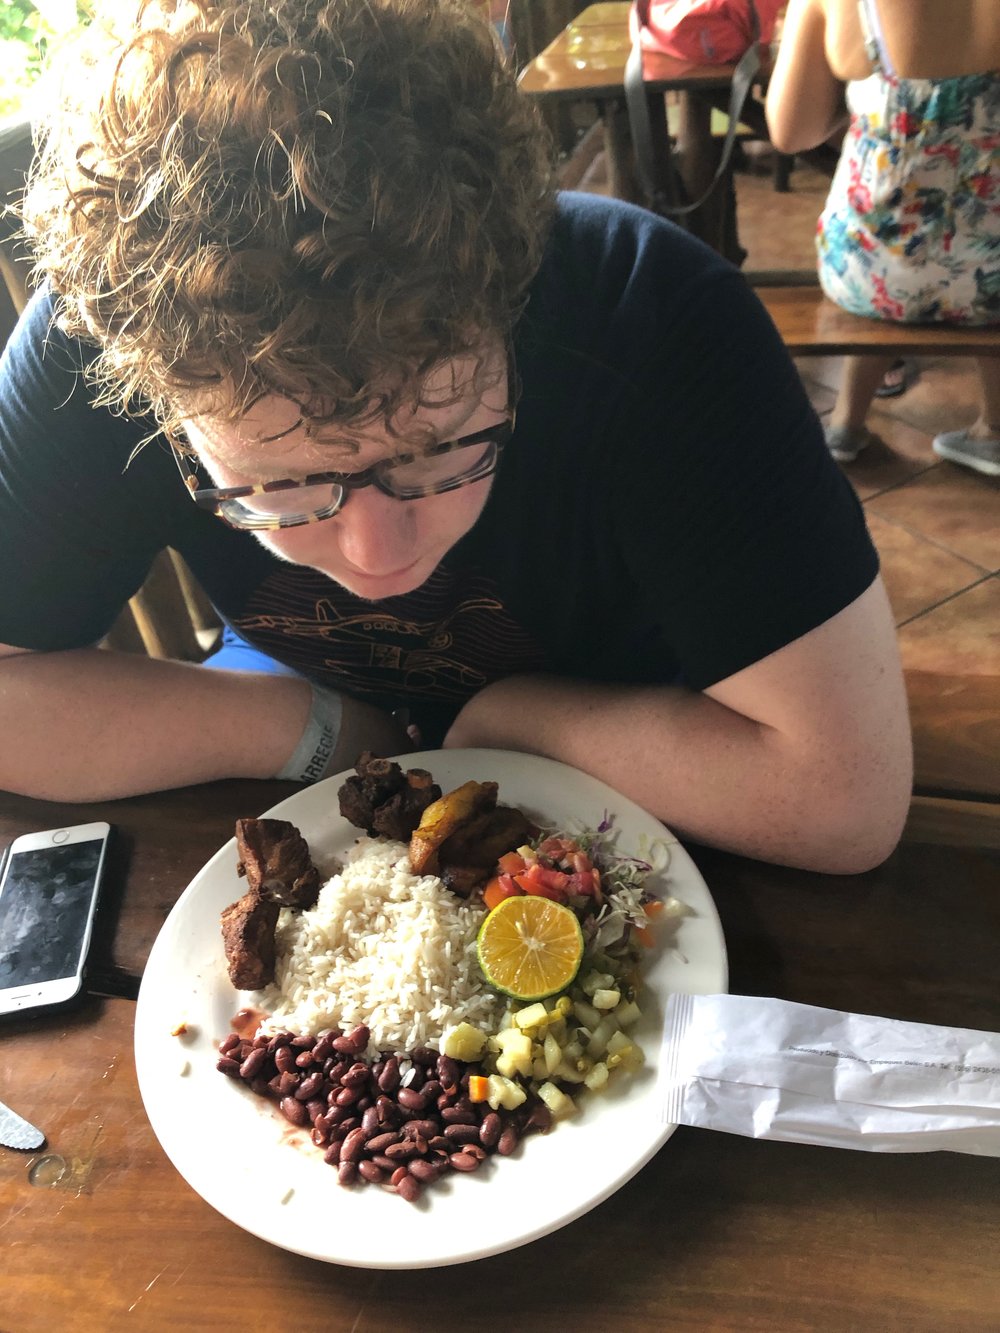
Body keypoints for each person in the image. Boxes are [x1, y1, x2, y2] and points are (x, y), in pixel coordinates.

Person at [0, 0, 912, 873]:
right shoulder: (106, 339)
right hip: (290, 695)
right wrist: (310, 727)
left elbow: (846, 801)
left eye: (437, 452)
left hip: (667, 737)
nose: (376, 558)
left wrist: (505, 722)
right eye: (278, 487)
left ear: (516, 304)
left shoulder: (654, 321)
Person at [765, 0, 1000, 474]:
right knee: (975, 243)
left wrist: (864, 109)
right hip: (991, 276)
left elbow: (791, 132)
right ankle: (993, 430)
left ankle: (846, 424)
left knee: (887, 237)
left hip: (872, 273)